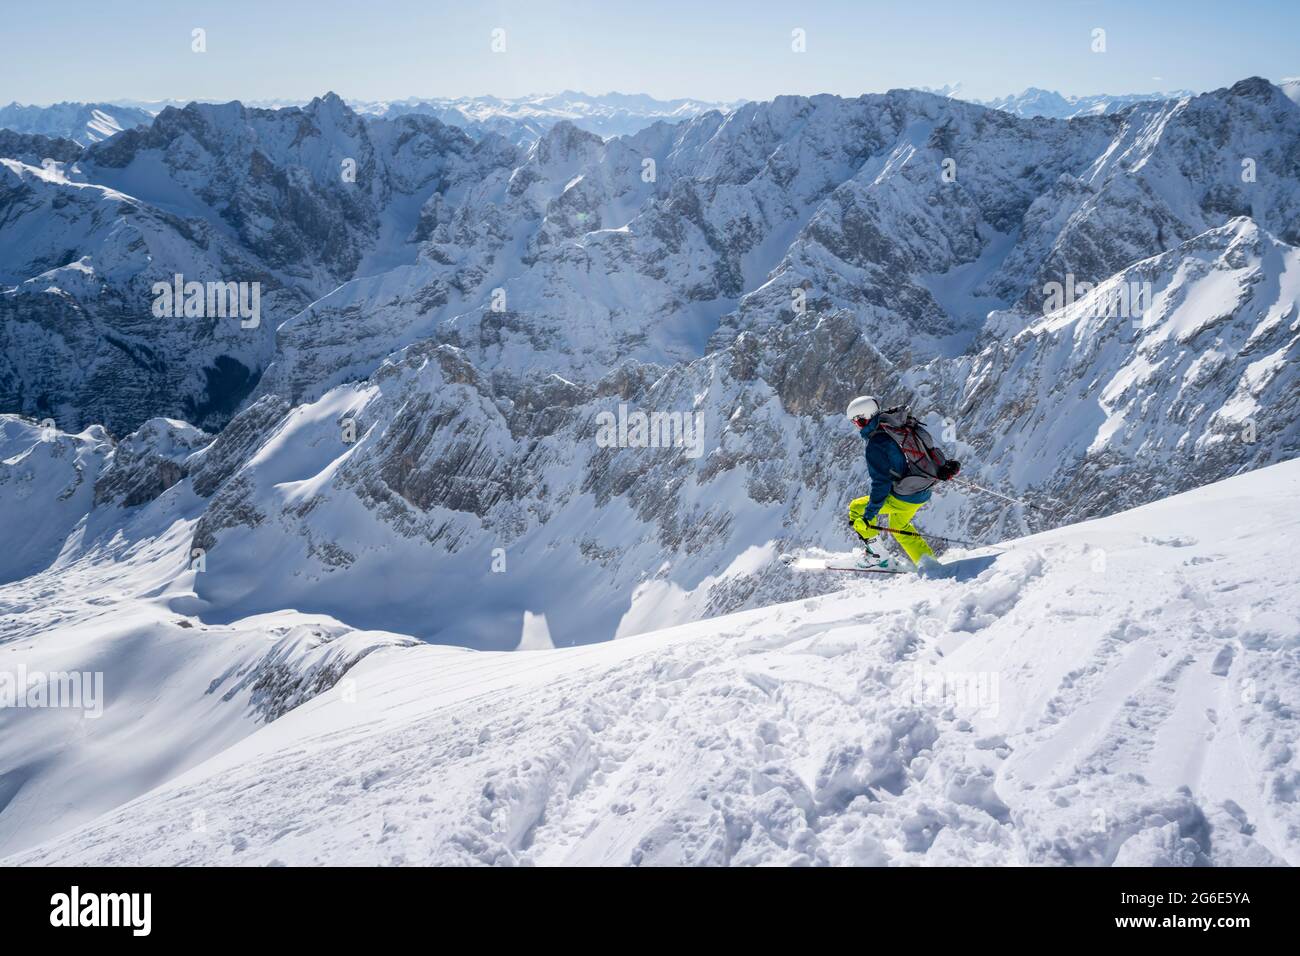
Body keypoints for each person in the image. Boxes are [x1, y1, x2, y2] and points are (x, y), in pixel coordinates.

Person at [845, 396, 960, 569]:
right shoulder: (895, 426)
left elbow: (881, 483)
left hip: (905, 495)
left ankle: (877, 556)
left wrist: (868, 516)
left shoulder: (877, 443)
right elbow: (925, 448)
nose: (857, 426)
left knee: (856, 508)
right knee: (899, 524)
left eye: (858, 422)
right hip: (923, 488)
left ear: (865, 418)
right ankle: (928, 564)